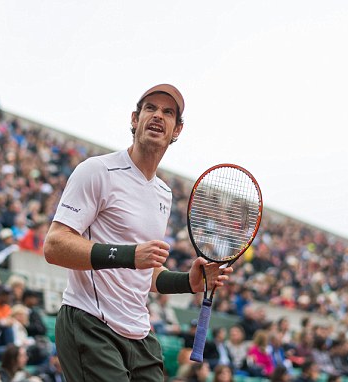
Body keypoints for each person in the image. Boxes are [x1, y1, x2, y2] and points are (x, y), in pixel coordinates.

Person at [43, 84, 233, 381]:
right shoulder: (97, 171)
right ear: (135, 119)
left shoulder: (163, 194)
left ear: (177, 130)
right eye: (150, 108)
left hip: (139, 335)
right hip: (89, 323)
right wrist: (131, 255)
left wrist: (189, 282)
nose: (158, 116)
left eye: (168, 112)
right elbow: (54, 246)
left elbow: (148, 275)